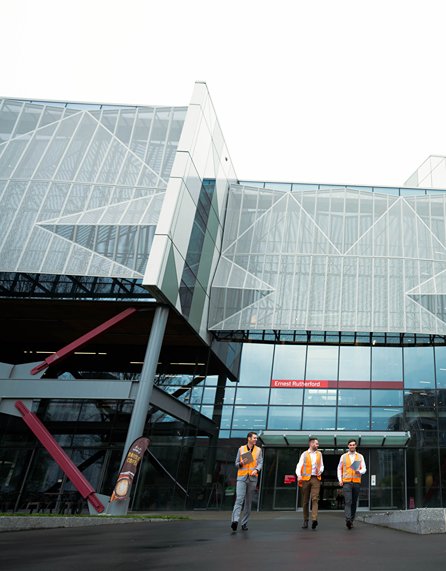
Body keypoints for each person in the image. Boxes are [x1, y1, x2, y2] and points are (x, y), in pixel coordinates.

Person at [230, 431, 263, 532]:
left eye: (256, 438)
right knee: (239, 500)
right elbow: (236, 464)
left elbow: (260, 462)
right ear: (249, 438)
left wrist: (256, 470)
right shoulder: (241, 449)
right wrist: (241, 463)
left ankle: (244, 523)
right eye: (254, 438)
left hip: (252, 479)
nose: (256, 440)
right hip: (242, 478)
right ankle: (235, 521)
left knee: (248, 503)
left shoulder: (259, 450)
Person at [295, 437, 324, 530]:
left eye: (318, 444)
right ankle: (305, 520)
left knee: (315, 499)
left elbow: (322, 465)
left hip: (316, 478)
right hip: (305, 479)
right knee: (305, 501)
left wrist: (321, 471)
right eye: (316, 444)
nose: (318, 445)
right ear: (311, 444)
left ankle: (314, 519)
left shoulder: (319, 454)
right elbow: (299, 465)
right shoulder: (304, 454)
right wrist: (298, 475)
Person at [337, 439, 367, 529]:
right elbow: (339, 468)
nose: (352, 446)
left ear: (356, 446)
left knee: (354, 502)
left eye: (353, 445)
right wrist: (340, 479)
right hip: (346, 482)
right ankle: (348, 520)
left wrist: (360, 471)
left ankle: (351, 521)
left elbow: (364, 468)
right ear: (348, 446)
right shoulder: (343, 456)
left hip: (356, 482)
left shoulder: (360, 456)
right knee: (348, 501)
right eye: (350, 445)